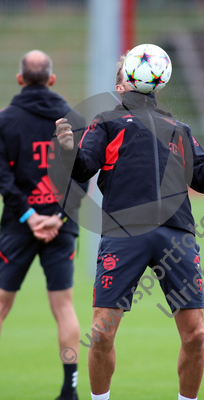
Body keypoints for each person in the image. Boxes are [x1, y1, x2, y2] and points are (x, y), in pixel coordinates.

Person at [56, 49, 204, 400]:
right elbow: (84, 168)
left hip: (176, 235)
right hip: (123, 235)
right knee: (102, 333)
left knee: (196, 335)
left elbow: (202, 180)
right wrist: (67, 150)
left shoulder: (177, 128)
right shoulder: (105, 122)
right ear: (121, 87)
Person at [0, 50, 88, 400]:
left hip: (18, 226)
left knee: (2, 303)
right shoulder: (75, 119)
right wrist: (59, 216)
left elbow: (3, 178)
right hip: (60, 225)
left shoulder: (5, 120)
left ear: (20, 79)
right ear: (51, 79)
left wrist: (28, 216)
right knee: (64, 306)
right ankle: (70, 390)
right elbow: (82, 176)